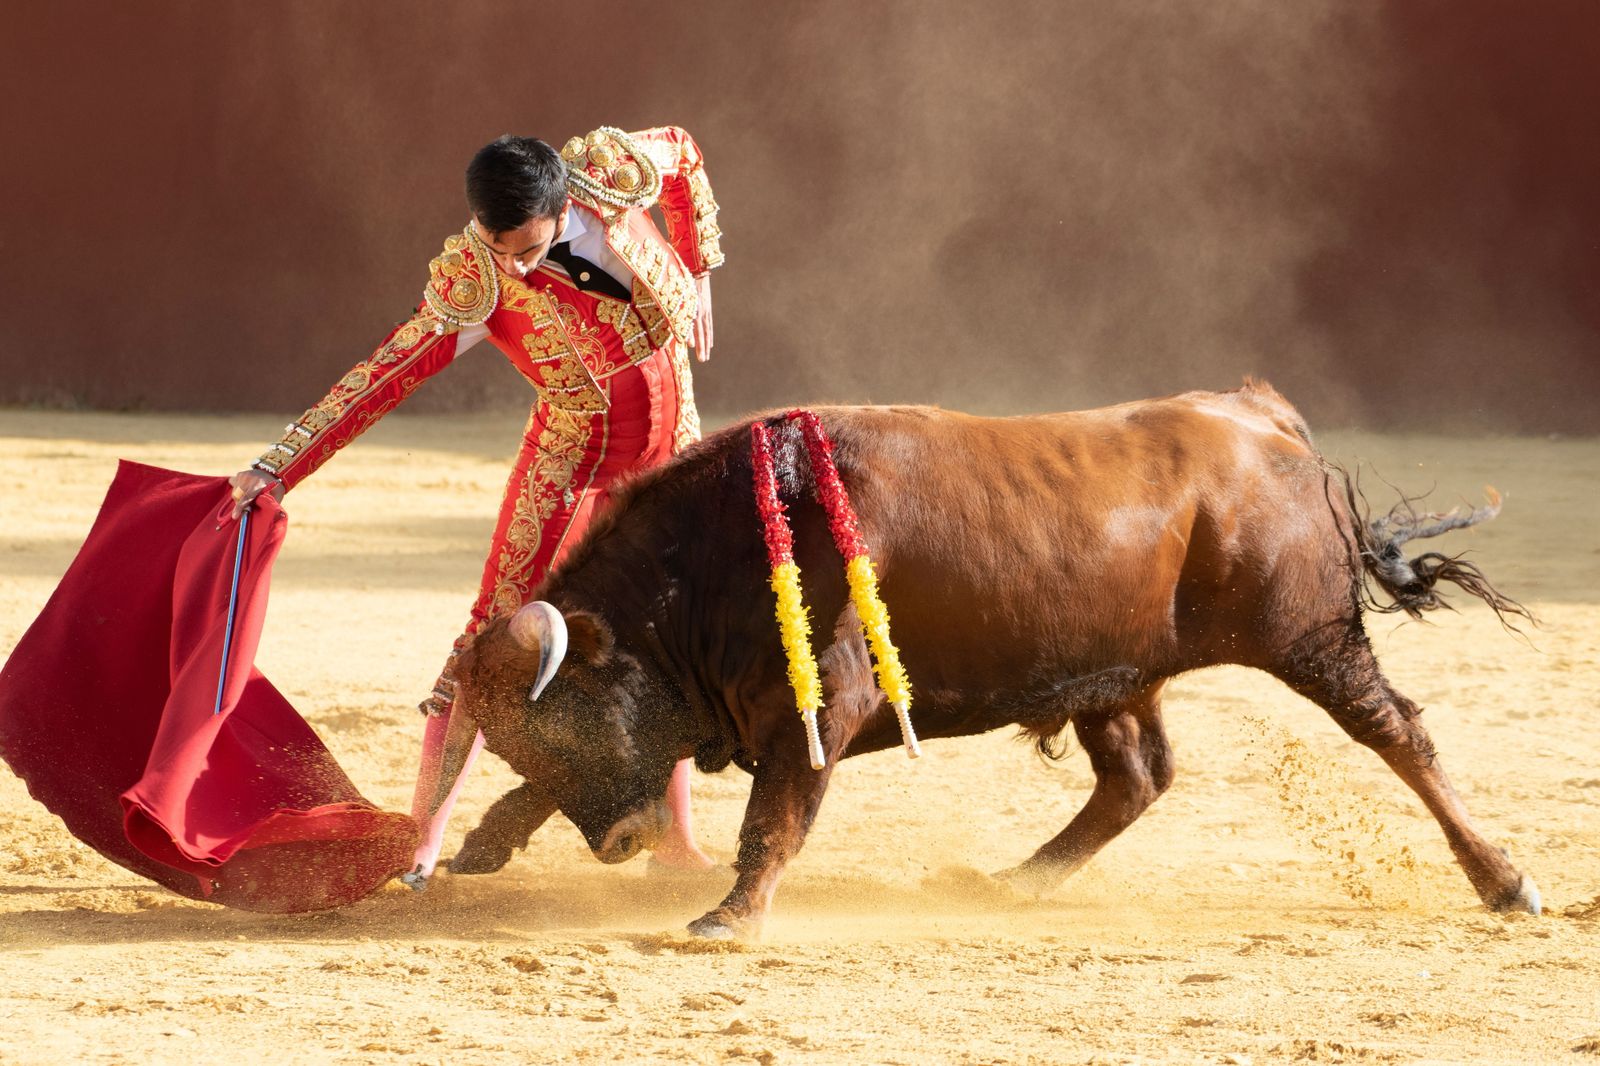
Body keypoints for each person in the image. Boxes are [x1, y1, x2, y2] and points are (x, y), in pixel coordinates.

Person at [229, 126, 725, 887]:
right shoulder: (476, 279)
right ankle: (421, 841)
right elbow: (385, 374)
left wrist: (700, 268)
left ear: (565, 206)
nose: (515, 267)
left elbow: (684, 153)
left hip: (672, 458)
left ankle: (676, 840)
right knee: (491, 635)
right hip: (574, 463)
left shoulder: (613, 168)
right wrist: (279, 467)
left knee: (668, 638)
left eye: (526, 248)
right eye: (499, 248)